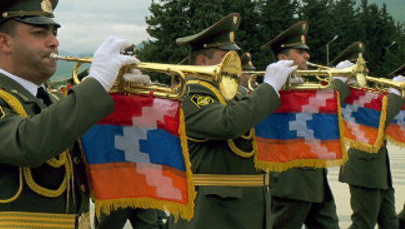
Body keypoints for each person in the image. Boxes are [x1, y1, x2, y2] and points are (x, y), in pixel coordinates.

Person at [0, 0, 141, 228]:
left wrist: (122, 100)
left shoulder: (52, 104)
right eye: (39, 32)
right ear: (5, 42)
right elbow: (29, 144)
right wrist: (96, 82)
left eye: (54, 32)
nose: (54, 42)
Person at [167, 13, 297, 229]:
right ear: (202, 61)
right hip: (212, 211)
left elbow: (259, 122)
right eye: (226, 56)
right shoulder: (191, 94)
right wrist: (270, 88)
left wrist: (284, 93)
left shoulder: (234, 94)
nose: (234, 62)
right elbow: (227, 124)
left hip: (248, 205)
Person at [265, 22, 351, 229]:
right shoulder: (278, 88)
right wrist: (339, 80)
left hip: (315, 179)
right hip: (292, 182)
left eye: (307, 51)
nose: (307, 56)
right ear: (282, 58)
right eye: (300, 51)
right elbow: (320, 106)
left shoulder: (303, 83)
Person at [338, 42, 404, 229]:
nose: (366, 69)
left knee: (390, 224)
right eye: (360, 66)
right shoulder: (351, 95)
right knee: (363, 224)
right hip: (364, 169)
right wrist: (395, 93)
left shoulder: (365, 92)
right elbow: (381, 120)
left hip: (379, 169)